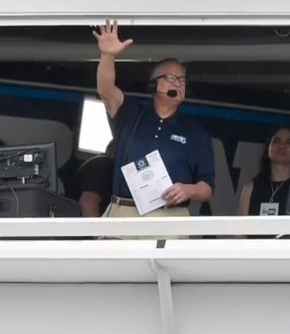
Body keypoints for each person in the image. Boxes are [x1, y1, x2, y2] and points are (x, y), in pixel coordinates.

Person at [93, 19, 216, 217]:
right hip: (123, 211)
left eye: (182, 80)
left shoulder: (195, 132)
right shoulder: (131, 113)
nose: (178, 84)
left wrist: (188, 189)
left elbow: (207, 187)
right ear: (153, 85)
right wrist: (108, 55)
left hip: (170, 216)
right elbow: (105, 89)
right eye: (170, 78)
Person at [237, 127, 290, 215]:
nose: (281, 146)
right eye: (276, 141)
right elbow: (241, 226)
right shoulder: (250, 188)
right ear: (268, 149)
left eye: (288, 142)